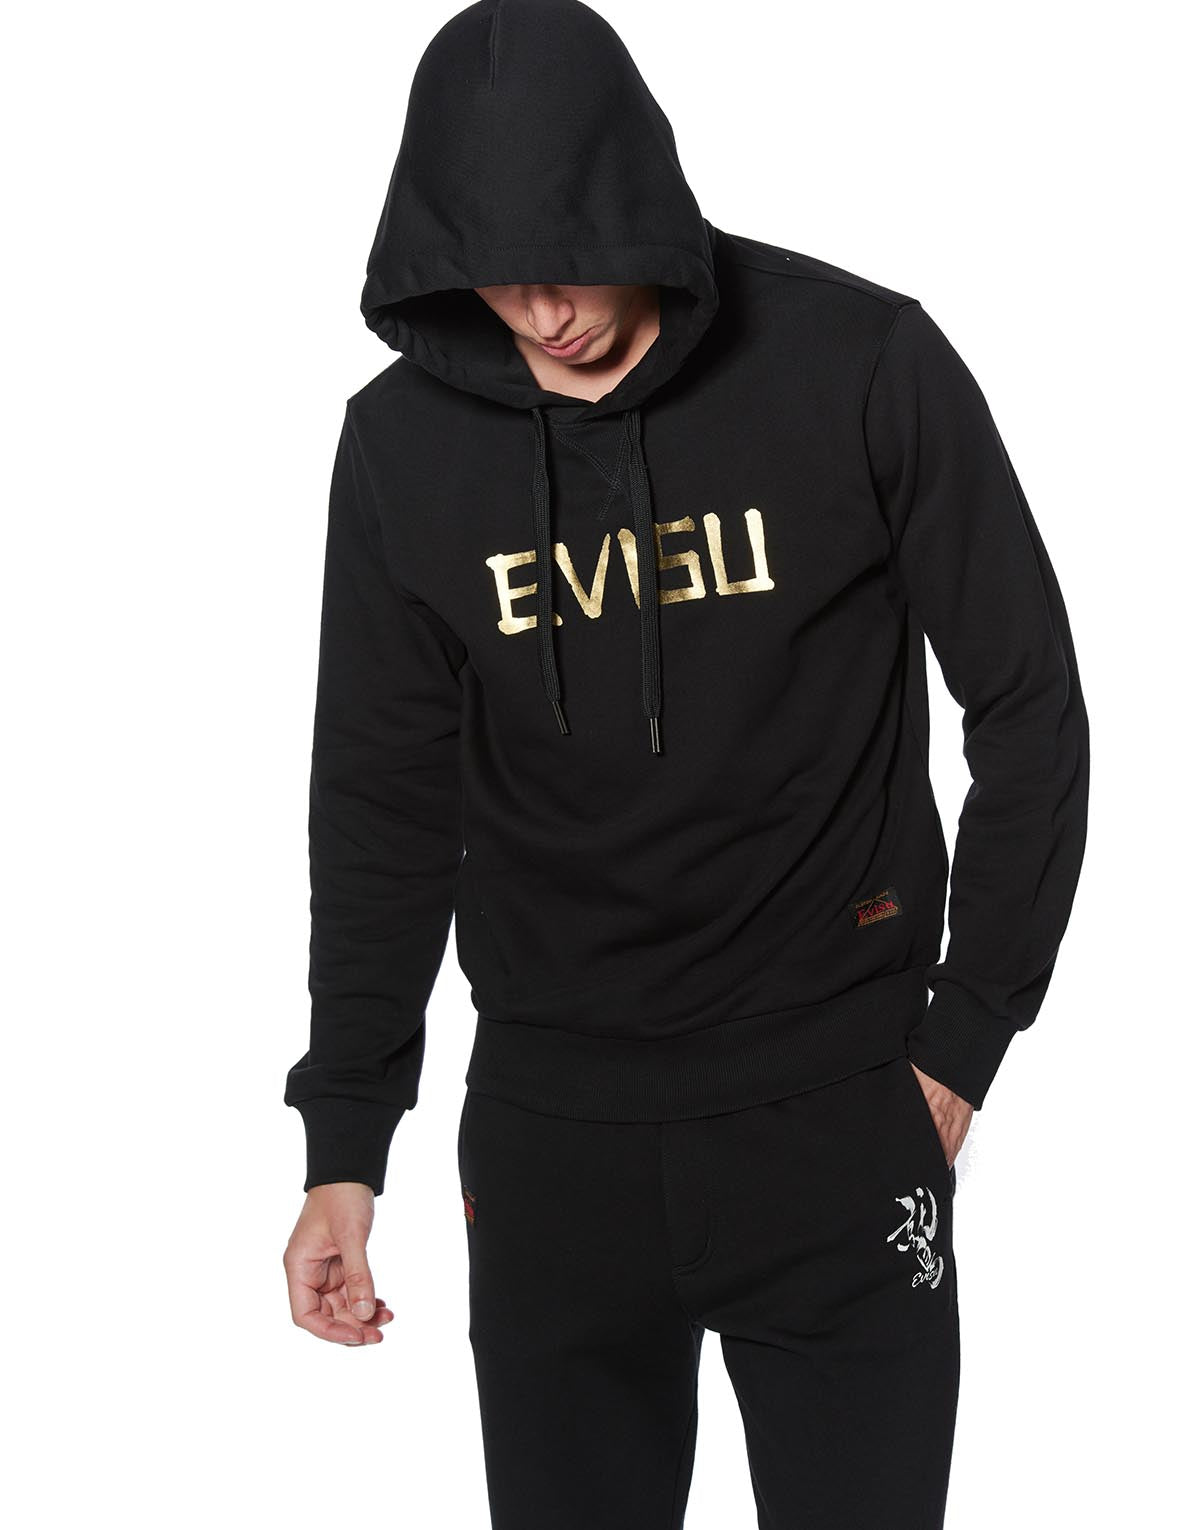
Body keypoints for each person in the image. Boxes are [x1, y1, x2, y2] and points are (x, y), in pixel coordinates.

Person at [281, 1, 1090, 1525]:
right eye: (493, 267)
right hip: (552, 1140)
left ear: (634, 193)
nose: (540, 308)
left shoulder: (861, 360)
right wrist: (346, 1143)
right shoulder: (400, 447)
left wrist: (967, 1035)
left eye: (569, 253)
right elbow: (379, 800)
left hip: (835, 1108)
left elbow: (1030, 700)